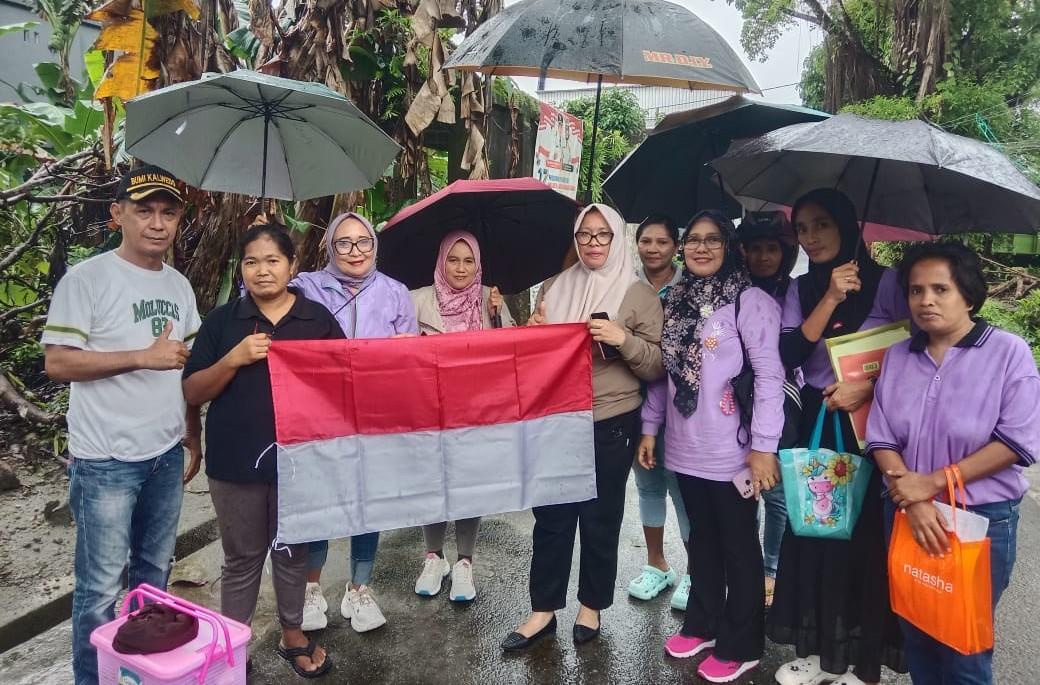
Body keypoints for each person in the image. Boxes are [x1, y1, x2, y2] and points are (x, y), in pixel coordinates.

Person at [41, 165, 203, 685]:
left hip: (163, 455)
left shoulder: (179, 286)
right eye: (144, 210)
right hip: (106, 461)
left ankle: (141, 675)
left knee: (152, 583)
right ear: (118, 215)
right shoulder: (87, 280)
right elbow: (58, 363)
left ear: (179, 220)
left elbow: (188, 368)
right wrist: (141, 357)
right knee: (99, 591)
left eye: (168, 212)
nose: (156, 223)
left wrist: (191, 434)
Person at [867, 242, 1039, 685]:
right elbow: (881, 437)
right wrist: (912, 496)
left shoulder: (1008, 352)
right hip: (908, 514)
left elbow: (1017, 441)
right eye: (915, 290)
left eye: (940, 289)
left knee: (963, 647)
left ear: (969, 294)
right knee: (919, 632)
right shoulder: (900, 356)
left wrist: (935, 483)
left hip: (977, 520)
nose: (926, 301)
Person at [501, 203, 664, 651]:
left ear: (616, 238)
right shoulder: (553, 288)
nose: (593, 243)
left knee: (600, 517)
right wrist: (534, 331)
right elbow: (535, 359)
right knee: (551, 517)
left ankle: (591, 605)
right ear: (576, 239)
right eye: (586, 235)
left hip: (610, 419)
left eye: (602, 235)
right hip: (555, 419)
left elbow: (655, 366)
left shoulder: (639, 295)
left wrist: (623, 339)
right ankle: (543, 610)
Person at [182, 224, 341, 678]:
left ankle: (293, 633)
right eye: (251, 261)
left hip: (299, 461)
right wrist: (233, 358)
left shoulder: (317, 320)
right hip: (234, 462)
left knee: (292, 551)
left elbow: (344, 381)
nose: (262, 270)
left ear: (292, 266)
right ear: (242, 269)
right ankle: (234, 646)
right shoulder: (222, 322)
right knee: (242, 558)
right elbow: (193, 389)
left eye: (273, 260)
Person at [768, 189, 908, 685]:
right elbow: (787, 353)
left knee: (864, 538)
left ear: (847, 225)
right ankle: (824, 653)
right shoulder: (801, 287)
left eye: (822, 224)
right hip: (818, 424)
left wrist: (867, 385)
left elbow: (916, 351)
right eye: (803, 228)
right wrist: (829, 295)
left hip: (872, 428)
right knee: (816, 532)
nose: (811, 237)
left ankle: (860, 661)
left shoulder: (888, 283)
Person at [641, 210, 784, 683]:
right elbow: (665, 373)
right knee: (701, 540)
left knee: (739, 546)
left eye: (713, 240)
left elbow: (769, 378)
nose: (701, 248)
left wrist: (763, 446)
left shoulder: (750, 301)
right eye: (694, 240)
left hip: (734, 452)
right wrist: (650, 427)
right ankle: (702, 622)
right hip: (684, 445)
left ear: (729, 246)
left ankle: (741, 642)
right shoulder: (677, 299)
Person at [292, 212, 418, 633]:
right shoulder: (306, 287)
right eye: (343, 243)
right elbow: (261, 300)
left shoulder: (396, 293)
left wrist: (406, 350)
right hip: (319, 414)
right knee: (320, 501)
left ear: (374, 246)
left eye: (363, 242)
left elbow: (412, 357)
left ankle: (358, 589)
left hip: (375, 414)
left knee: (368, 504)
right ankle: (311, 589)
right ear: (329, 247)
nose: (354, 252)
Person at [410, 230, 515, 600]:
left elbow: (512, 356)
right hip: (430, 412)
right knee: (433, 484)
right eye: (453, 259)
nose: (460, 268)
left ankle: (464, 563)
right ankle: (434, 557)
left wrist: (496, 318)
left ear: (479, 264)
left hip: (476, 414)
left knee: (470, 487)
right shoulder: (417, 301)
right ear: (441, 260)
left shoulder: (492, 299)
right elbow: (398, 356)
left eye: (469, 260)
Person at [627, 214, 692, 610]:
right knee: (648, 484)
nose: (653, 249)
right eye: (646, 241)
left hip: (682, 406)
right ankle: (657, 565)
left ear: (675, 246)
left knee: (684, 491)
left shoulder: (690, 286)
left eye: (661, 242)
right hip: (635, 400)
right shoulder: (627, 286)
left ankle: (696, 572)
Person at [738, 210, 800, 608]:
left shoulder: (793, 292)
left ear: (785, 252)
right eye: (755, 249)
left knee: (776, 495)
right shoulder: (734, 290)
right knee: (743, 491)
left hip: (783, 405)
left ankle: (771, 568)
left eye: (771, 249)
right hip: (736, 404)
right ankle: (745, 563)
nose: (763, 257)